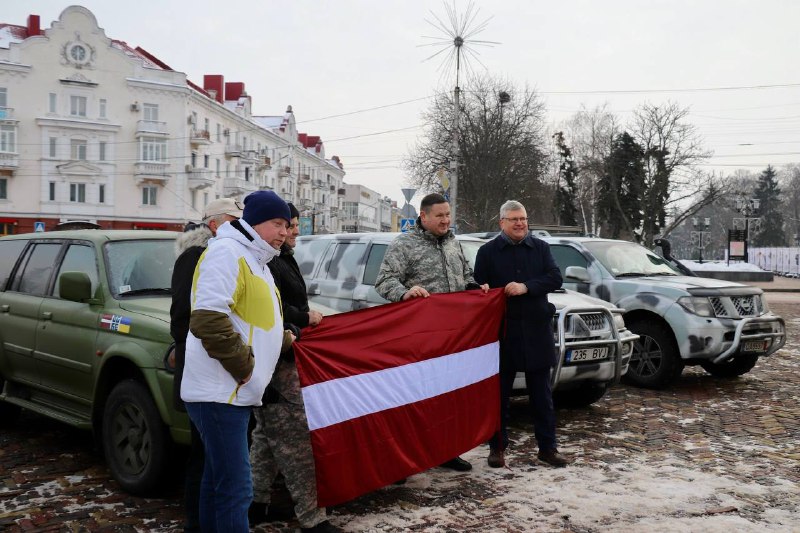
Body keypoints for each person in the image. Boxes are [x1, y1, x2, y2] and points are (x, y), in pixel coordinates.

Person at [181, 190, 292, 532]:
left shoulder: (256, 259)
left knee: (218, 481)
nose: (284, 232)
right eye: (277, 223)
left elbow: (250, 319)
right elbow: (207, 319)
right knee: (236, 488)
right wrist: (244, 367)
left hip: (232, 393)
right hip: (220, 392)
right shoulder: (227, 253)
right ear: (254, 222)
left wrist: (282, 339)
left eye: (287, 225)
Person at [374, 192, 488, 472]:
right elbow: (384, 281)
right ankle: (404, 460)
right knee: (414, 400)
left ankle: (446, 451)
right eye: (439, 216)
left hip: (452, 340)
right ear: (423, 216)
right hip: (420, 340)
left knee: (448, 398)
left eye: (448, 215)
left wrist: (477, 290)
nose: (445, 220)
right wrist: (405, 293)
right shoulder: (405, 245)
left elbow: (467, 277)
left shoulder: (453, 244)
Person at [249, 203, 339, 533]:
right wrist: (301, 319)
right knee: (294, 439)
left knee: (266, 437)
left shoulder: (282, 259)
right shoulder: (264, 262)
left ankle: (255, 503)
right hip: (275, 360)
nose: (294, 231)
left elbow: (286, 304)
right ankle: (312, 517)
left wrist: (301, 317)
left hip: (283, 357)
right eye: (288, 225)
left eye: (294, 225)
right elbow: (270, 309)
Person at [473, 200, 570, 469]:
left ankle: (548, 448)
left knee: (542, 395)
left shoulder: (540, 248)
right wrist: (480, 287)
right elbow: (477, 284)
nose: (520, 224)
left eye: (523, 219)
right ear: (501, 222)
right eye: (514, 219)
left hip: (536, 329)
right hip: (503, 332)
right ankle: (497, 448)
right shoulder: (488, 251)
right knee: (499, 395)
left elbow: (554, 278)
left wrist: (526, 286)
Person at [170, 198, 243, 532]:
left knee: (214, 458)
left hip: (217, 369)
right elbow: (184, 319)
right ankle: (196, 524)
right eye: (233, 220)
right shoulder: (195, 257)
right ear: (214, 224)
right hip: (202, 369)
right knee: (203, 456)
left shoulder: (223, 254)